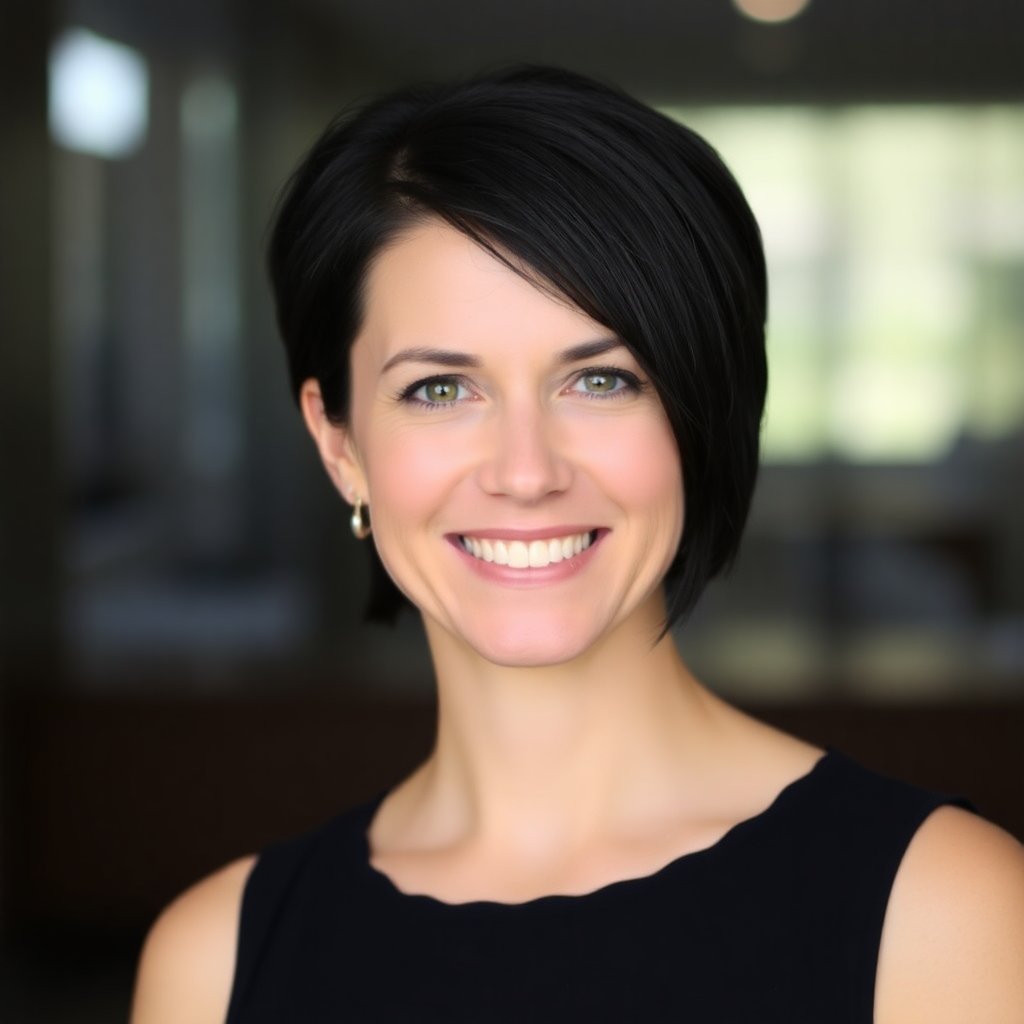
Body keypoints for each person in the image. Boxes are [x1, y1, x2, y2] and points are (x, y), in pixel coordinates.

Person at [130, 66, 1024, 1023]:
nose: (525, 470)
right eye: (440, 390)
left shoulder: (946, 915)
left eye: (601, 382)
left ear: (700, 412)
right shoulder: (212, 964)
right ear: (340, 443)